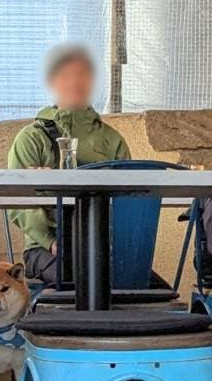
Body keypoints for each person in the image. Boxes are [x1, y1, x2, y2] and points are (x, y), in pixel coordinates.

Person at [8, 43, 129, 283]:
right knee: (80, 279)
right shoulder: (32, 138)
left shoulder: (112, 139)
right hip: (45, 249)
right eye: (66, 75)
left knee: (144, 285)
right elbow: (18, 199)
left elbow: (129, 198)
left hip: (101, 247)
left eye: (83, 74)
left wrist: (118, 243)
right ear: (52, 82)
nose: (75, 82)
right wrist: (49, 241)